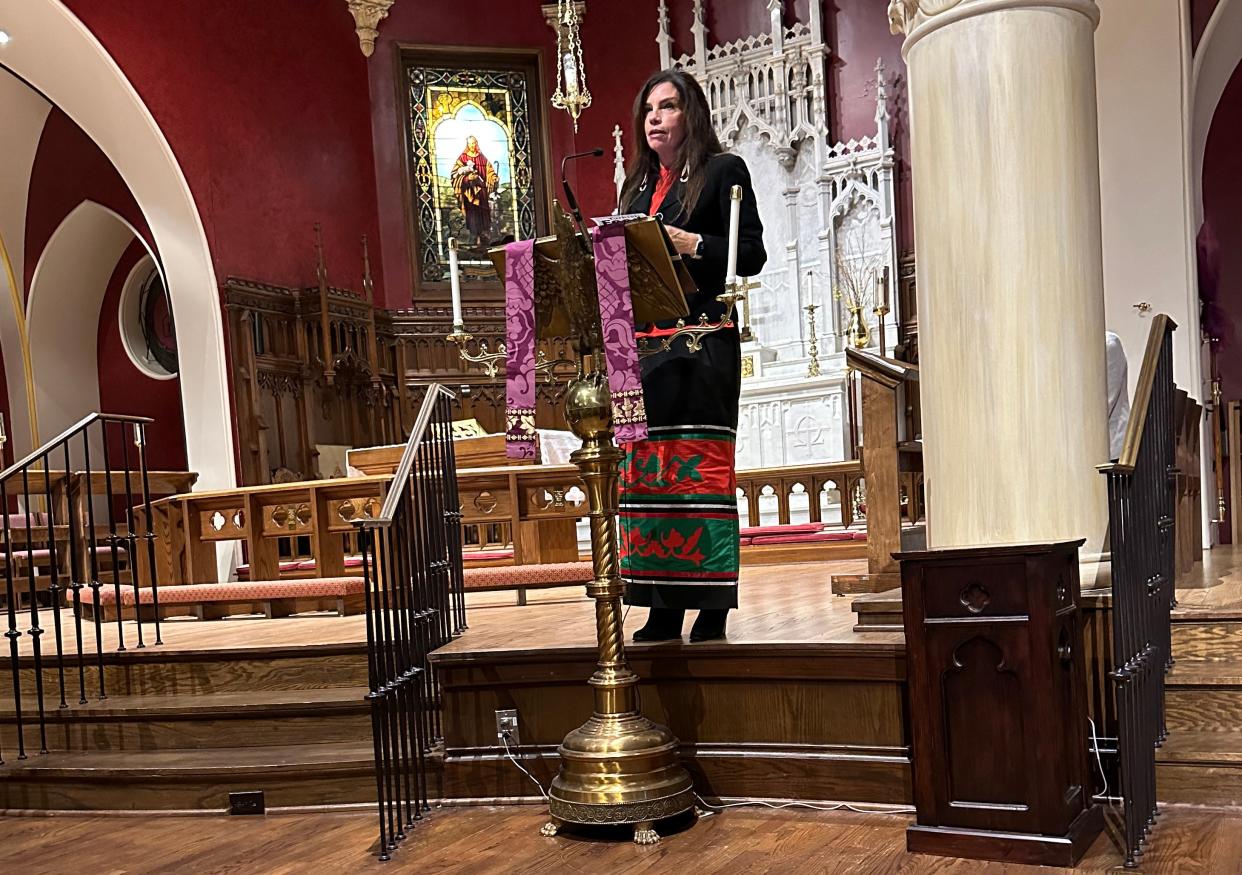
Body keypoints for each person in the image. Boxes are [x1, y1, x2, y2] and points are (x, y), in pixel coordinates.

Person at [617, 70, 766, 643]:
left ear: (691, 114)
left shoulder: (724, 171)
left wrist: (692, 243)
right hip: (644, 352)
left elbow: (751, 254)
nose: (655, 118)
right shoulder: (634, 188)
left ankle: (709, 607)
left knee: (697, 476)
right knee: (649, 480)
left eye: (668, 106)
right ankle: (659, 607)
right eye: (648, 109)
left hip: (701, 342)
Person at [452, 135, 498, 245]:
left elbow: (489, 172)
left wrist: (494, 178)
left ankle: (484, 236)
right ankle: (473, 236)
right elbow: (454, 175)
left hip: (481, 192)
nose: (473, 146)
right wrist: (467, 178)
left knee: (483, 212)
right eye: (471, 144)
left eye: (474, 143)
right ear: (467, 145)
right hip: (469, 193)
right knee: (472, 214)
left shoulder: (482, 158)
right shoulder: (462, 158)